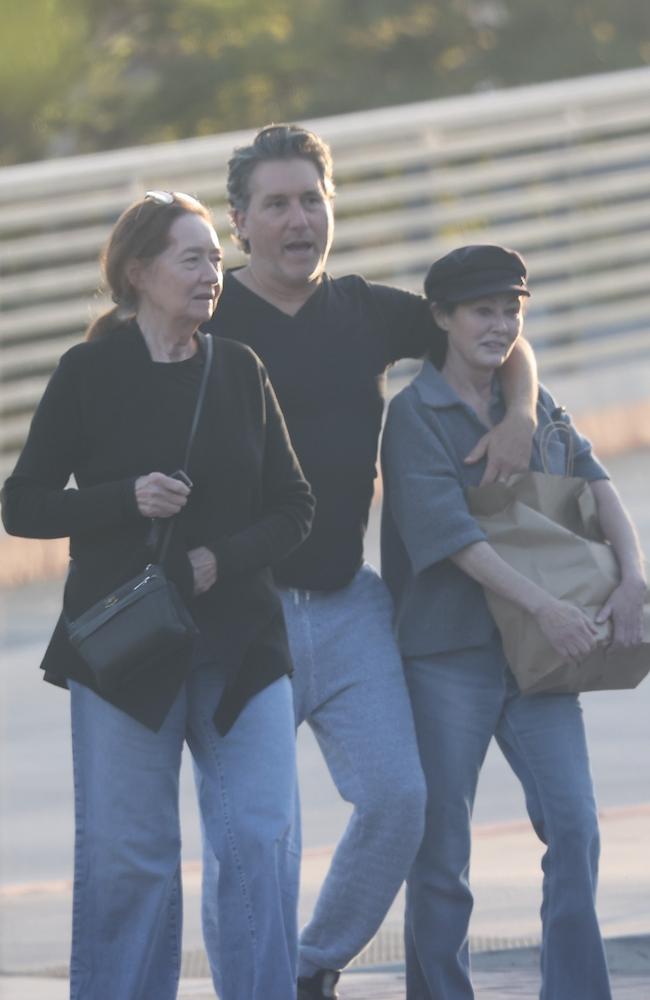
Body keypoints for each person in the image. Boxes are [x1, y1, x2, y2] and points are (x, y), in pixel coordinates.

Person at [202, 124, 540, 999]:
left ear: (332, 208)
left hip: (350, 604)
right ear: (239, 223)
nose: (297, 219)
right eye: (275, 203)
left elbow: (494, 332)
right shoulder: (206, 316)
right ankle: (257, 984)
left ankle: (314, 966)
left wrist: (521, 413)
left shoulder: (367, 310)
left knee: (399, 801)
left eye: (312, 199)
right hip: (243, 613)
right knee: (254, 830)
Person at [1, 191, 315, 1000]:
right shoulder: (88, 372)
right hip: (126, 650)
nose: (214, 271)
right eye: (193, 257)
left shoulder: (241, 368)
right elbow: (23, 502)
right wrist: (122, 498)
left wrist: (221, 558)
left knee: (260, 835)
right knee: (130, 856)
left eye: (217, 256)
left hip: (241, 645)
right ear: (138, 273)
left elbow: (295, 506)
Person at [380, 244, 647, 1000]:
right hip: (448, 655)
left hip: (540, 659)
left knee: (576, 829)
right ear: (442, 318)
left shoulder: (532, 402)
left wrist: (634, 579)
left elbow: (598, 485)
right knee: (441, 854)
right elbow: (450, 539)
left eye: (511, 310)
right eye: (481, 311)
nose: (499, 325)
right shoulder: (412, 417)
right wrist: (548, 607)